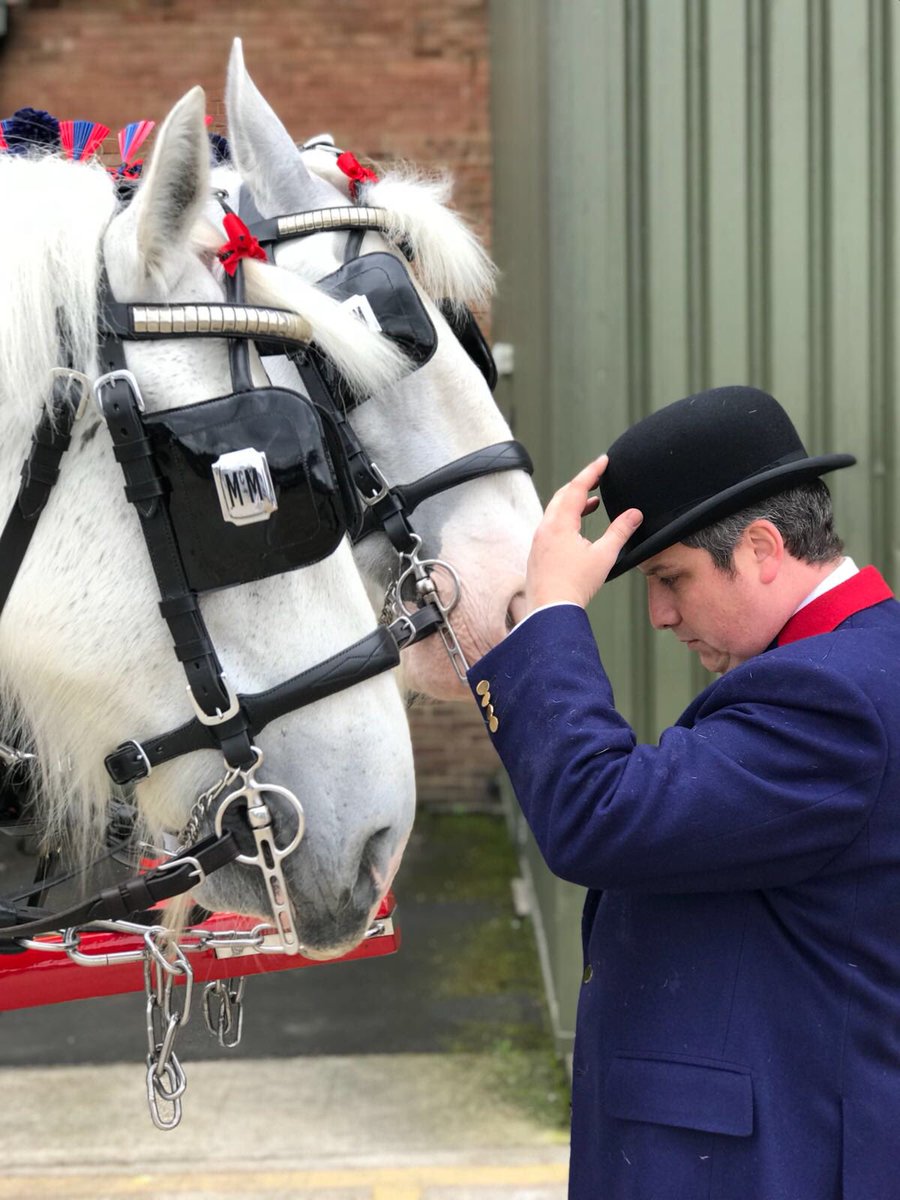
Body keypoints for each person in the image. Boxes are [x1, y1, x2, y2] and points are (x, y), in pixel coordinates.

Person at [469, 385, 900, 1200]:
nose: (660, 614)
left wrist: (553, 614)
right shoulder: (858, 663)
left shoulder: (835, 701)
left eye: (671, 577)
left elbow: (598, 815)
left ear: (765, 548)